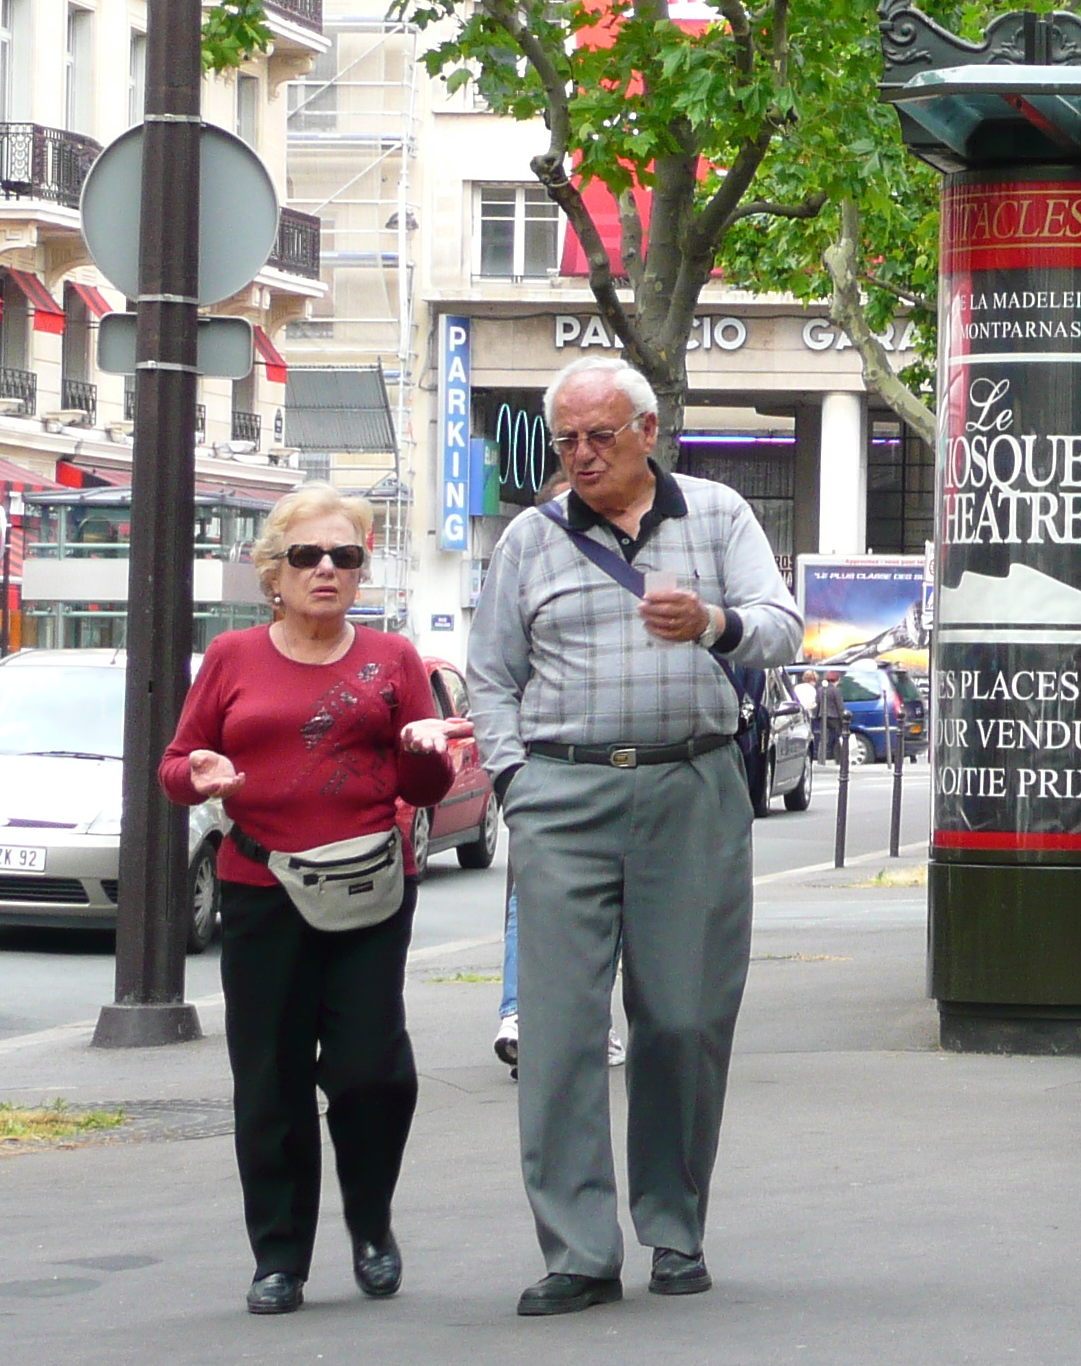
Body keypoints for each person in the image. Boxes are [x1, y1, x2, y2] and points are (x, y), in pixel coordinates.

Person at [465, 356, 801, 1317]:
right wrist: (516, 781)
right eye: (566, 438)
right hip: (562, 794)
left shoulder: (718, 515)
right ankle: (578, 1248)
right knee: (561, 1033)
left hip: (691, 784)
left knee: (684, 1020)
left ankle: (675, 1226)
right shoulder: (529, 539)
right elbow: (490, 673)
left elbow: (781, 626)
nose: (581, 454)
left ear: (649, 432)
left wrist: (715, 621)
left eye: (599, 435)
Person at [161, 487, 468, 1315]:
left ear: (364, 570)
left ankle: (371, 1224)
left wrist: (424, 753)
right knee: (271, 1079)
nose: (327, 570)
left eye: (346, 556)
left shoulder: (393, 659)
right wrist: (199, 775)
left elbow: (426, 783)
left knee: (372, 1072)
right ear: (274, 571)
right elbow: (177, 764)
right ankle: (280, 1258)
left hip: (368, 887)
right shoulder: (231, 657)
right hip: (261, 890)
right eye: (307, 556)